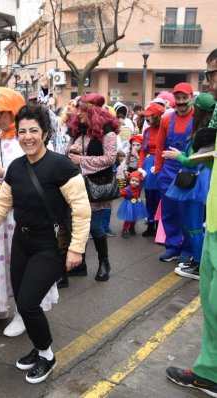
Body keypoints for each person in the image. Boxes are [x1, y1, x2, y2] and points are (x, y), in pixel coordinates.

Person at [0, 104, 90, 383]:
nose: (27, 137)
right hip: (21, 241)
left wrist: (76, 248)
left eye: (34, 131)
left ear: (46, 133)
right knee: (22, 298)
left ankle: (47, 355)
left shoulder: (61, 166)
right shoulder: (16, 167)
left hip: (49, 245)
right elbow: (2, 203)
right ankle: (39, 348)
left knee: (27, 303)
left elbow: (81, 208)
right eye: (23, 131)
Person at [0, 88, 55, 337]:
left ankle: (23, 311)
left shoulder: (25, 140)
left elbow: (33, 173)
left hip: (19, 208)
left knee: (17, 260)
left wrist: (2, 173)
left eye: (3, 113)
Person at [165, 48, 217, 398]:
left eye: (213, 73)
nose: (209, 81)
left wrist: (187, 156)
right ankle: (209, 373)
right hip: (213, 218)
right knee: (210, 301)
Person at [66, 93, 119, 282]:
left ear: (92, 111)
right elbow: (67, 150)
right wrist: (71, 151)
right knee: (77, 225)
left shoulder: (108, 133)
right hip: (76, 186)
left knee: (95, 227)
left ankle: (104, 262)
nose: (77, 114)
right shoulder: (79, 131)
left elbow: (110, 159)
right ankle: (79, 264)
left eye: (81, 110)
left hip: (97, 186)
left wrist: (82, 159)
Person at [162, 93, 215, 277]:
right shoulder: (207, 129)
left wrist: (177, 156)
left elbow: (193, 161)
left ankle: (200, 266)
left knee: (193, 226)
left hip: (195, 183)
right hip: (202, 181)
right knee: (195, 225)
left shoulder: (202, 132)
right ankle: (197, 261)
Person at [154, 82, 195, 263]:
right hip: (168, 171)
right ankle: (172, 247)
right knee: (169, 212)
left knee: (186, 211)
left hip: (188, 168)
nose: (181, 102)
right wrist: (158, 169)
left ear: (191, 98)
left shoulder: (199, 118)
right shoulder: (166, 119)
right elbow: (159, 147)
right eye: (177, 98)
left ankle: (187, 249)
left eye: (184, 98)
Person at [138, 102, 165, 237]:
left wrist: (162, 164)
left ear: (156, 116)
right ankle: (150, 223)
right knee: (148, 196)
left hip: (160, 163)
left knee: (159, 196)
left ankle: (159, 225)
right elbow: (143, 151)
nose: (146, 119)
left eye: (149, 116)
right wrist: (140, 167)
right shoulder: (147, 131)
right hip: (148, 164)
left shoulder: (164, 128)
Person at [117, 170, 147, 238]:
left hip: (137, 205)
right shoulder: (126, 189)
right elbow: (120, 193)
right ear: (129, 180)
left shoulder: (139, 188)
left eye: (137, 181)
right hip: (128, 205)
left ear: (140, 183)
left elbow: (143, 180)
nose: (134, 183)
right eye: (133, 180)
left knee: (134, 217)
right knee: (128, 218)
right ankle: (124, 229)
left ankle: (132, 227)